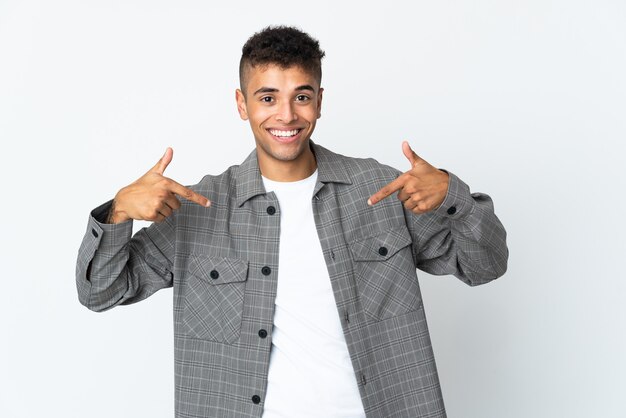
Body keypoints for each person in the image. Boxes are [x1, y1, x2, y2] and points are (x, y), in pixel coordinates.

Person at [76, 26, 508, 418]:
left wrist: (454, 197)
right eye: (267, 98)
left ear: (319, 100)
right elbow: (100, 292)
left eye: (301, 96)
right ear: (242, 104)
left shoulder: (380, 190)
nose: (286, 115)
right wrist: (118, 213)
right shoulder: (199, 208)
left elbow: (485, 265)